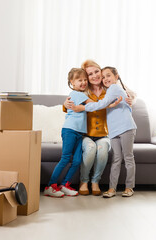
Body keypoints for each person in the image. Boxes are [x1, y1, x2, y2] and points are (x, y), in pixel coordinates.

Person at [64, 60, 136, 196]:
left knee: (103, 151)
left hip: (104, 135)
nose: (95, 76)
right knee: (91, 149)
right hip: (86, 135)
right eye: (90, 74)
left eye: (97, 72)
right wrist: (65, 103)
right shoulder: (82, 91)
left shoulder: (109, 89)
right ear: (86, 77)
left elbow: (128, 95)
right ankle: (84, 181)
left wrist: (131, 101)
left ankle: (95, 181)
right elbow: (70, 106)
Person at [44, 68, 92, 197]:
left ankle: (65, 184)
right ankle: (50, 186)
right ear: (72, 82)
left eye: (85, 80)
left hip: (79, 133)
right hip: (70, 130)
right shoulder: (77, 94)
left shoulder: (81, 94)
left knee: (77, 160)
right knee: (65, 158)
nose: (83, 82)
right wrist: (109, 103)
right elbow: (93, 105)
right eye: (79, 80)